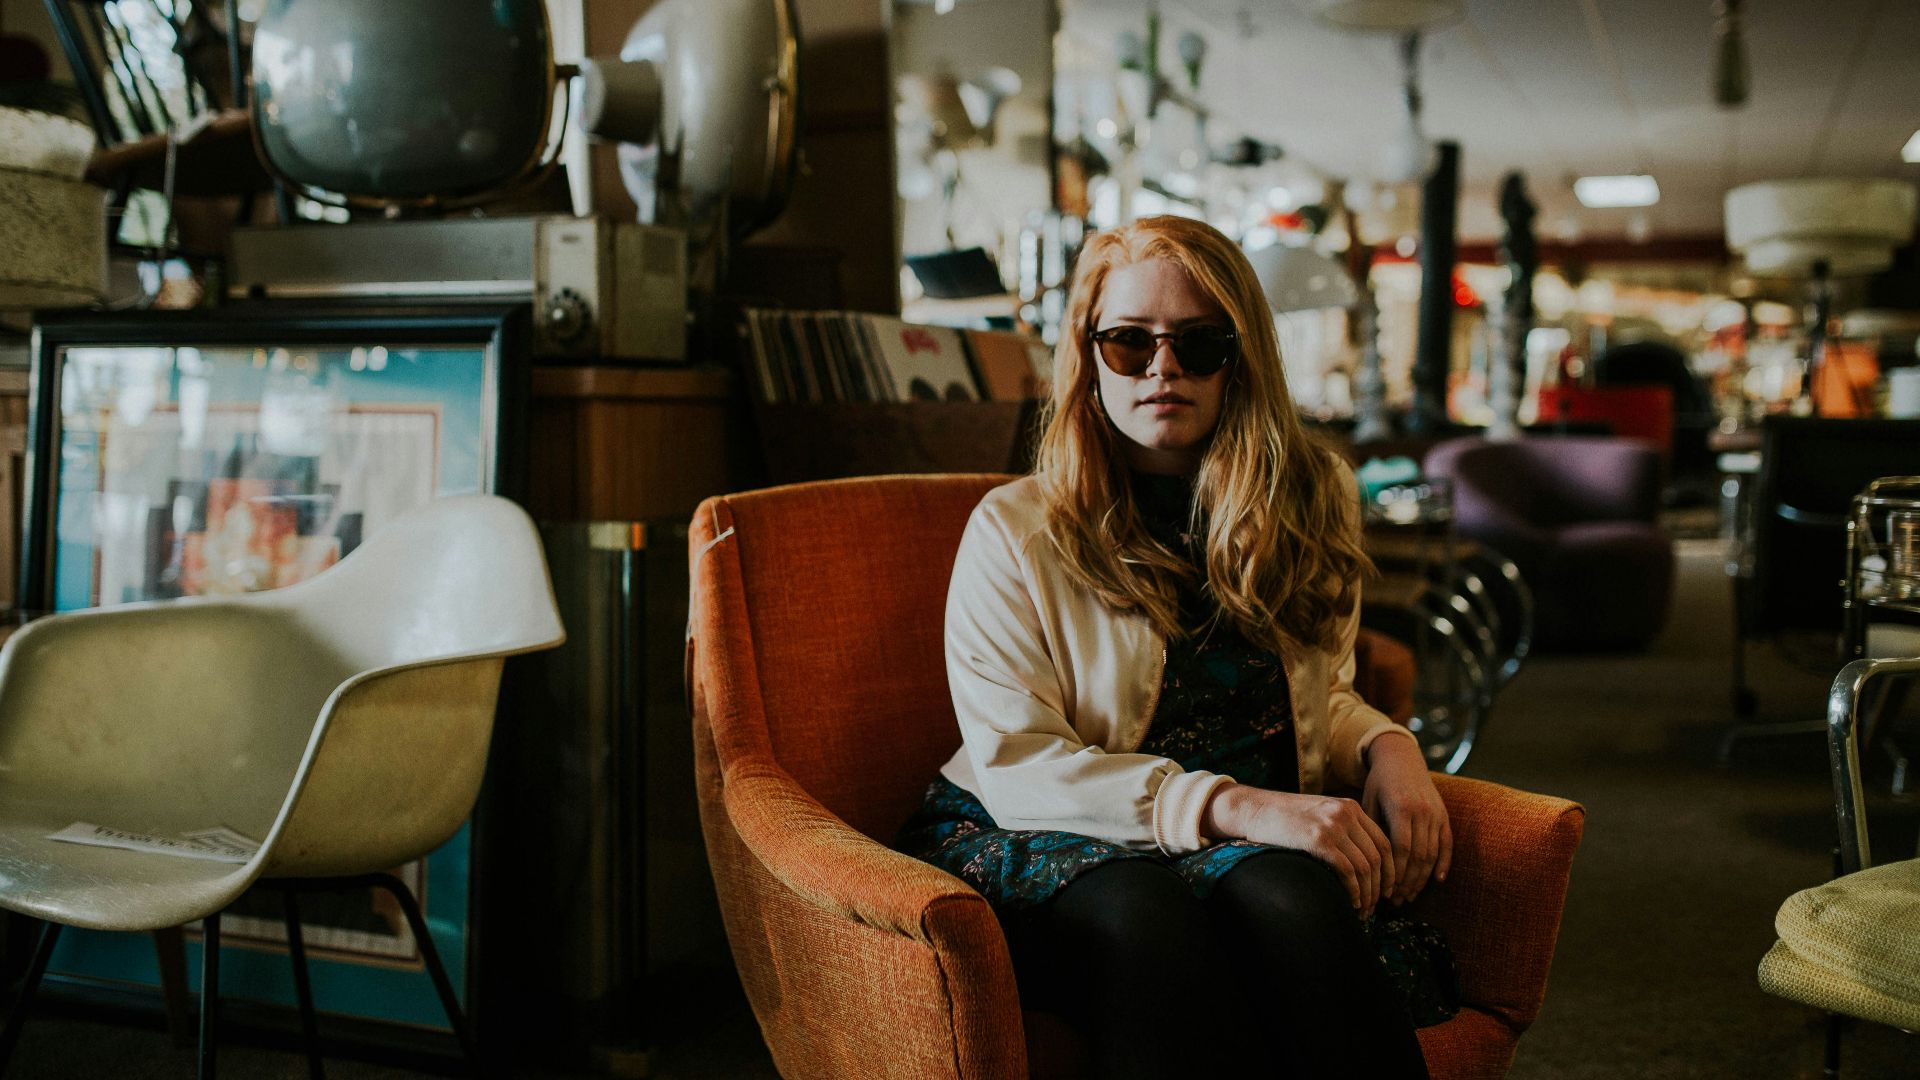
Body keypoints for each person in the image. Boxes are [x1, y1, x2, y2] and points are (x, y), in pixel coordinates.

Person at [897, 215, 1455, 1078]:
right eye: (1129, 343)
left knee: (1299, 896)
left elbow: (1318, 694)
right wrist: (1237, 807)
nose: (1164, 368)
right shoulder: (1016, 528)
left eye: (1199, 344)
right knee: (1145, 913)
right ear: (1089, 357)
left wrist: (1388, 742)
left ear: (1243, 358)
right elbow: (1018, 763)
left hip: (1239, 837)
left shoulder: (1314, 497)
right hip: (1052, 822)